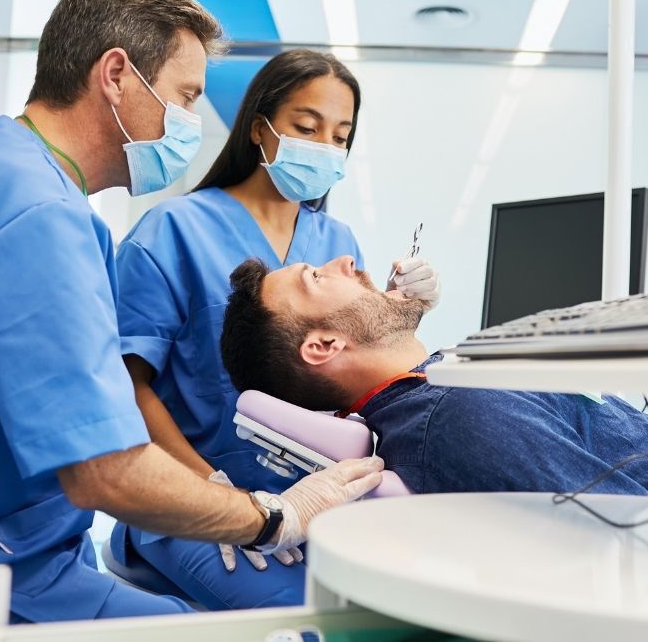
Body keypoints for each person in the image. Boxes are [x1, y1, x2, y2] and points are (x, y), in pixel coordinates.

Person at [0, 0, 383, 639]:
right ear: (116, 75)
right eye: (187, 97)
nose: (189, 118)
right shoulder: (40, 216)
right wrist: (271, 516)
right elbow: (107, 470)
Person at [108, 48, 441, 610]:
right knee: (316, 617)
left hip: (317, 495)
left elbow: (347, 370)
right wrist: (221, 497)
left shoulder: (337, 241)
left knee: (409, 602)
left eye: (341, 137)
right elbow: (126, 384)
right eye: (307, 128)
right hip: (192, 496)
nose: (325, 148)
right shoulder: (173, 230)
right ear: (261, 130)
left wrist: (406, 313)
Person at [218, 256, 648, 507]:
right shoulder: (460, 416)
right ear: (324, 346)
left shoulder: (446, 388)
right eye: (318, 277)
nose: (348, 263)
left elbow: (646, 464)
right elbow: (636, 535)